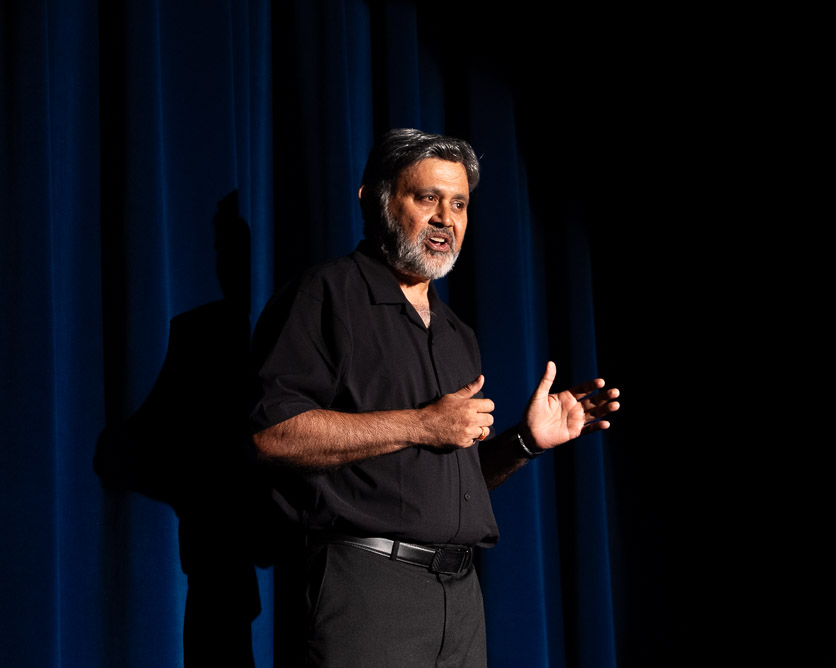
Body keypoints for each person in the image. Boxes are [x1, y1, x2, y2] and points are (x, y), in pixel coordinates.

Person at [249, 128, 620, 667]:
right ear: (374, 200)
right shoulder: (326, 295)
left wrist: (524, 442)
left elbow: (444, 478)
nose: (446, 218)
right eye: (428, 198)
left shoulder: (455, 333)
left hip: (459, 599)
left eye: (460, 204)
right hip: (367, 590)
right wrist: (420, 424)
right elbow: (271, 435)